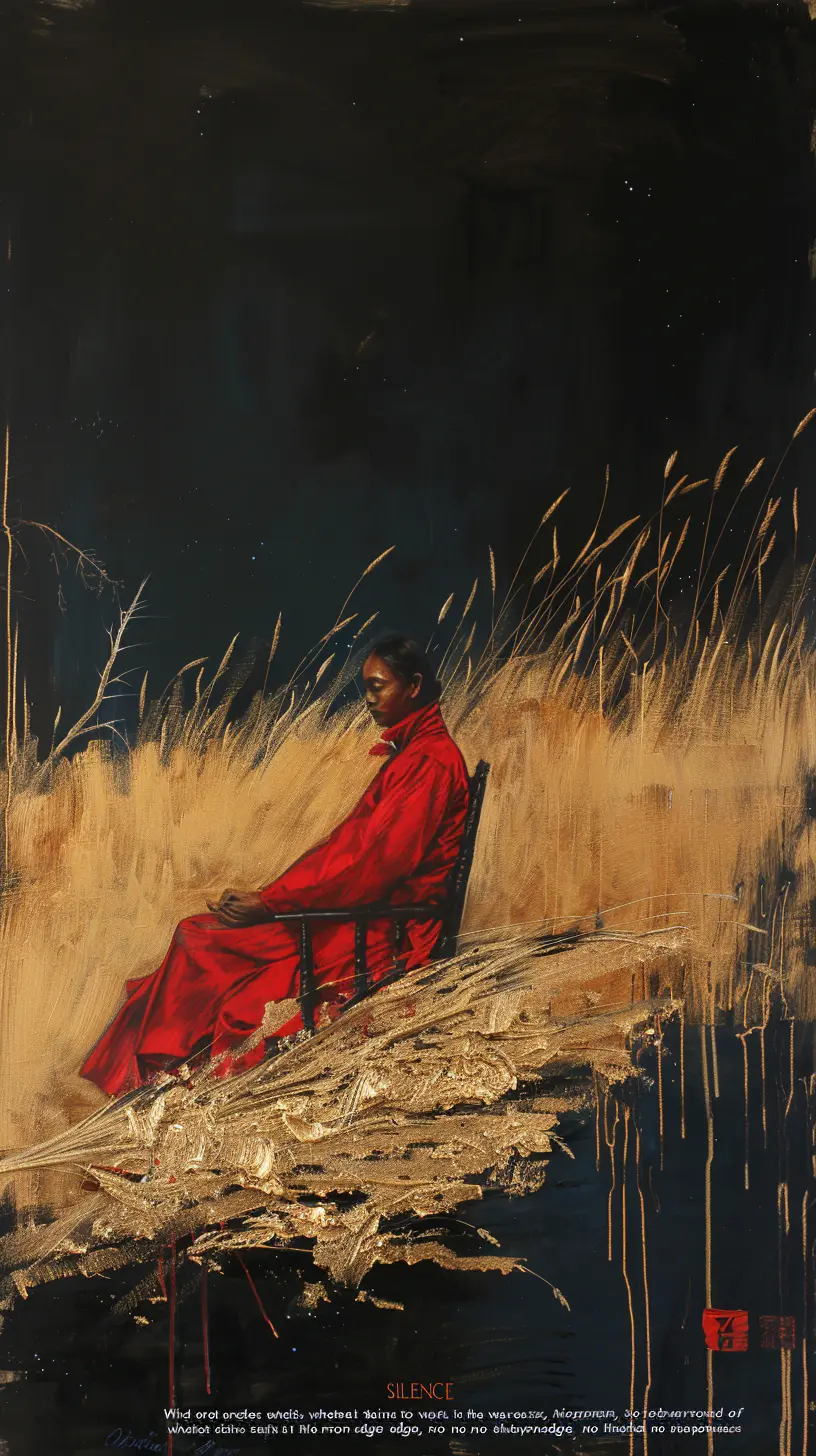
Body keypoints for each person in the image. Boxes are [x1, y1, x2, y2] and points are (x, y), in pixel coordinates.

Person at [80, 636, 470, 1097]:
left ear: (415, 686)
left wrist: (272, 904)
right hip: (360, 914)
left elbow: (371, 868)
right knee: (199, 934)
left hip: (384, 932)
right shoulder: (418, 754)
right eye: (366, 687)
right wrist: (272, 898)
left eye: (377, 686)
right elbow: (348, 851)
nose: (367, 699)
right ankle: (152, 1080)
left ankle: (161, 1083)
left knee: (202, 942)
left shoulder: (428, 762)